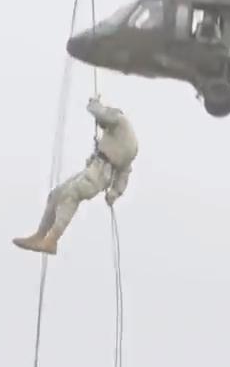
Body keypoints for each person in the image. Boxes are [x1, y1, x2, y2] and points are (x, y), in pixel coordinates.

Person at [13, 96, 137, 255]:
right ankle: (39, 236)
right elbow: (125, 172)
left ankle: (51, 240)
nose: (103, 128)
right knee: (56, 195)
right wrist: (114, 193)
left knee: (72, 194)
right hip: (95, 168)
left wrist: (94, 104)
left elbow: (101, 113)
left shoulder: (118, 120)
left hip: (100, 174)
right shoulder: (126, 141)